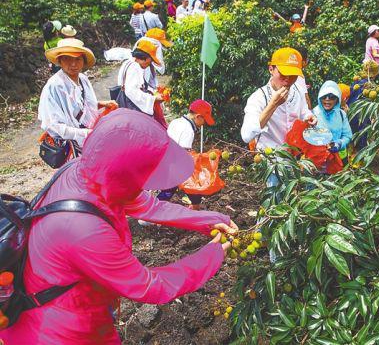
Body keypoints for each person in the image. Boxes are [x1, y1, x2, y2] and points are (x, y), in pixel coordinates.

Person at [0, 108, 238, 344]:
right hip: (58, 331)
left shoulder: (87, 171)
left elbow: (151, 207)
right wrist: (211, 255)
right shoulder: (83, 230)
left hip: (83, 307)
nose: (146, 182)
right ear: (126, 172)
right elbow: (149, 286)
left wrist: (213, 220)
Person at [39, 38, 117, 156]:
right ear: (59, 61)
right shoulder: (54, 86)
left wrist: (101, 104)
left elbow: (80, 105)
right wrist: (84, 134)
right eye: (67, 59)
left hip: (89, 139)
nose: (73, 64)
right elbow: (52, 124)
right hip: (72, 146)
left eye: (77, 59)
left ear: (83, 61)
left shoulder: (83, 79)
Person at [241, 47, 317, 153]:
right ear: (271, 69)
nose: (288, 79)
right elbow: (246, 135)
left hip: (295, 160)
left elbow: (304, 111)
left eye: (293, 75)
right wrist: (273, 105)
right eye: (283, 73)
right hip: (270, 161)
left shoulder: (298, 90)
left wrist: (309, 117)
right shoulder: (259, 98)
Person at [160, 99, 216, 208]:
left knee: (180, 188)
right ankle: (148, 217)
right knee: (188, 185)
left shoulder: (176, 121)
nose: (203, 124)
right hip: (173, 165)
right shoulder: (188, 131)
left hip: (165, 160)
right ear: (198, 116)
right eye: (204, 120)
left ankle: (195, 206)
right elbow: (184, 154)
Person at [117, 39, 167, 127]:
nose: (149, 64)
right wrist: (153, 99)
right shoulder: (134, 67)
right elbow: (131, 91)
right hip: (131, 106)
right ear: (146, 58)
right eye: (150, 61)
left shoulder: (128, 63)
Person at [312, 81, 353, 163]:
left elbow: (348, 135)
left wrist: (339, 143)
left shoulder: (341, 114)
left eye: (331, 97)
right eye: (324, 96)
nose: (327, 99)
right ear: (320, 97)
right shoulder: (313, 114)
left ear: (337, 99)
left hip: (339, 158)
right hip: (319, 159)